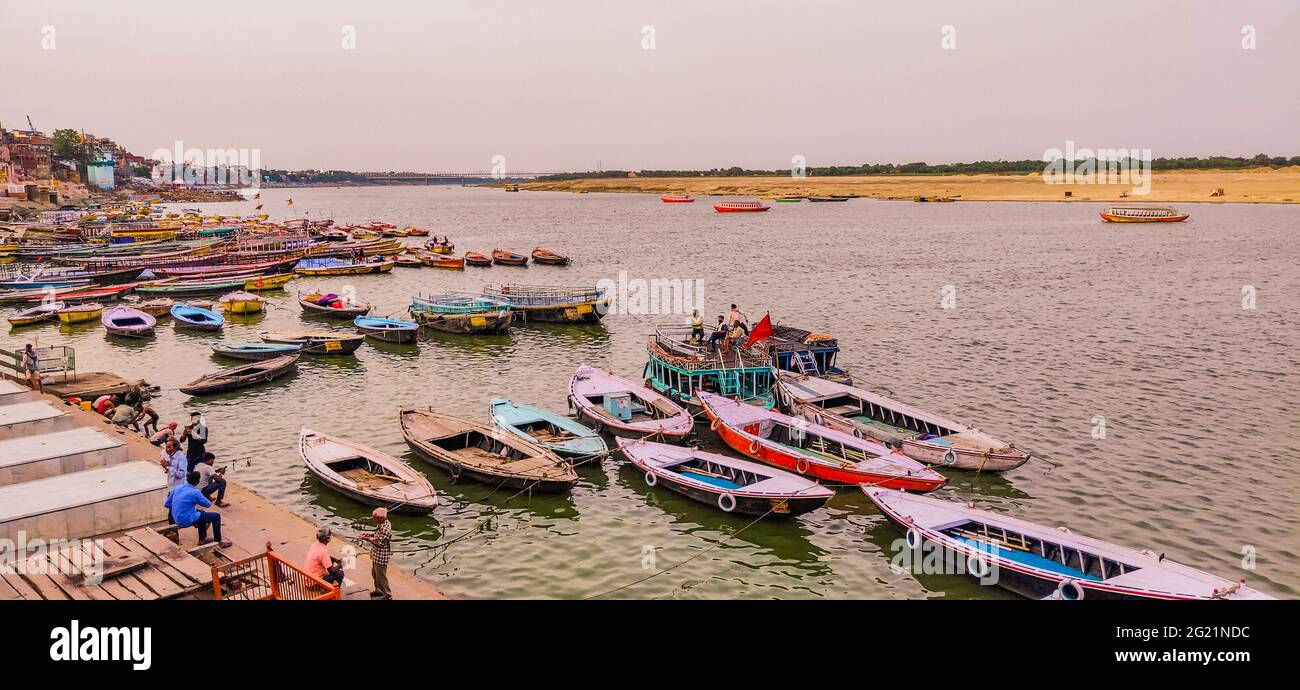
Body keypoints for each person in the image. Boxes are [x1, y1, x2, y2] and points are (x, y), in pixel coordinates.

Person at [163, 471, 231, 548]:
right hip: (185, 520)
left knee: (201, 513)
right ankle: (219, 542)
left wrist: (180, 507)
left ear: (188, 479)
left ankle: (202, 539)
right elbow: (208, 504)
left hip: (176, 518)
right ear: (198, 482)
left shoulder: (178, 488)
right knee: (216, 516)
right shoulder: (195, 492)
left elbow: (166, 504)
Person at [356, 507, 393, 599]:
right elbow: (377, 533)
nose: (373, 520)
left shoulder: (385, 529)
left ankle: (387, 595)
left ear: (381, 518)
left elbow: (379, 543)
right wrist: (369, 534)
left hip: (381, 556)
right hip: (376, 554)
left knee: (381, 577)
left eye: (375, 518)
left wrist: (367, 539)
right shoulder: (383, 523)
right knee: (374, 573)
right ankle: (379, 591)